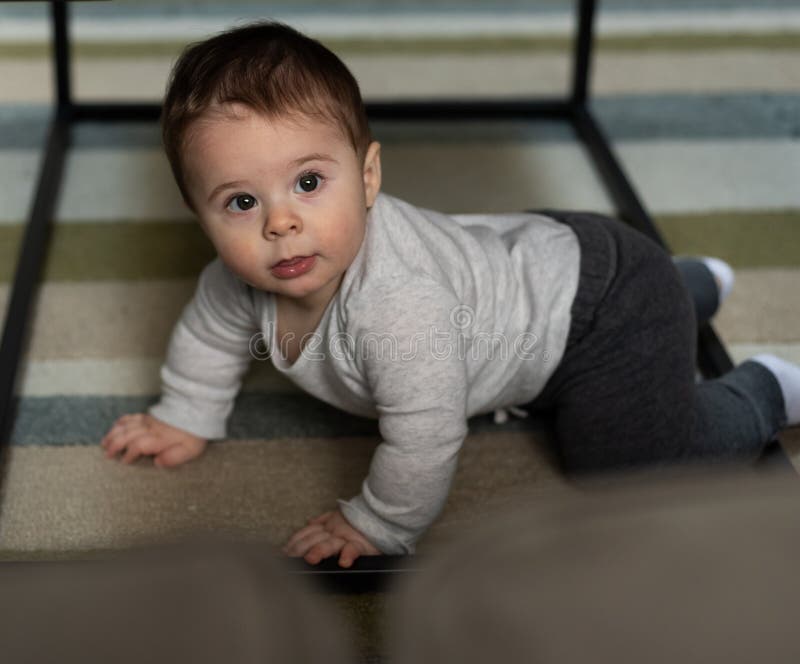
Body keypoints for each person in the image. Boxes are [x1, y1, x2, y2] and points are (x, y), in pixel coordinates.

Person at [99, 21, 800, 568]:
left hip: (596, 314)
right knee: (598, 287)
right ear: (201, 215)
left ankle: (763, 388)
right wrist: (186, 413)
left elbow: (426, 437)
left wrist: (379, 522)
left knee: (624, 465)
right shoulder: (237, 283)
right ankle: (689, 285)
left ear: (368, 175)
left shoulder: (399, 310)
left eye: (309, 183)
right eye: (242, 201)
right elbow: (208, 337)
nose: (281, 222)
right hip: (546, 255)